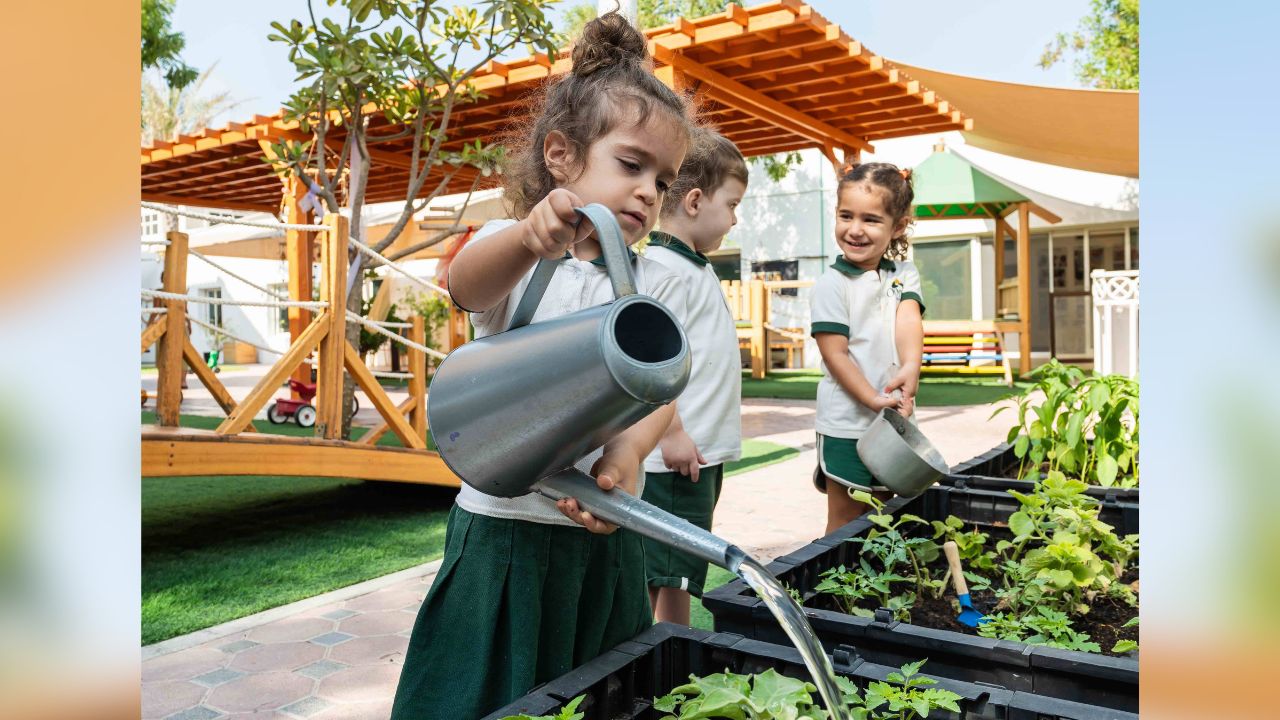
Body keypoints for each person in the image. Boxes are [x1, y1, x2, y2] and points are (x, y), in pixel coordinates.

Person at [390, 13, 695, 720]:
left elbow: (659, 397)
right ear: (561, 156)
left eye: (665, 179)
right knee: (485, 695)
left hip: (604, 540)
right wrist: (530, 235)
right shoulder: (521, 256)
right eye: (631, 165)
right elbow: (467, 287)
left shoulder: (651, 285)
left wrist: (623, 461)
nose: (650, 192)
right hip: (506, 536)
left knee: (601, 697)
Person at [639, 128, 747, 625]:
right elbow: (651, 360)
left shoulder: (693, 267)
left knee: (677, 573)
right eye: (733, 204)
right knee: (658, 573)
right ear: (697, 201)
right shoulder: (664, 270)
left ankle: (667, 668)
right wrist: (675, 432)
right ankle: (647, 668)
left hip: (699, 455)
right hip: (679, 459)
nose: (734, 218)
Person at [809, 163, 925, 534]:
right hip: (847, 425)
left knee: (887, 517)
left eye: (871, 219)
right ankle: (833, 593)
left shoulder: (903, 273)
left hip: (894, 423)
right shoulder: (832, 284)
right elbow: (835, 354)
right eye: (846, 216)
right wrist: (873, 400)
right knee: (846, 519)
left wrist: (911, 367)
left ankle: (875, 592)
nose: (855, 229)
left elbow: (908, 319)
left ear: (898, 226)